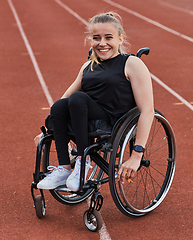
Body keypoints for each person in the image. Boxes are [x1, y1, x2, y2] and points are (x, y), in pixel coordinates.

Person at [35, 12, 154, 191]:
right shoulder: (88, 66)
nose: (102, 43)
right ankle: (65, 168)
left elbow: (147, 110)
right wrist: (49, 128)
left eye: (109, 37)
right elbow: (65, 100)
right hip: (85, 118)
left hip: (114, 121)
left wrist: (137, 155)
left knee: (77, 98)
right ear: (90, 41)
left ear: (120, 39)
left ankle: (83, 163)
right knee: (59, 105)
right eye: (96, 38)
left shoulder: (132, 63)